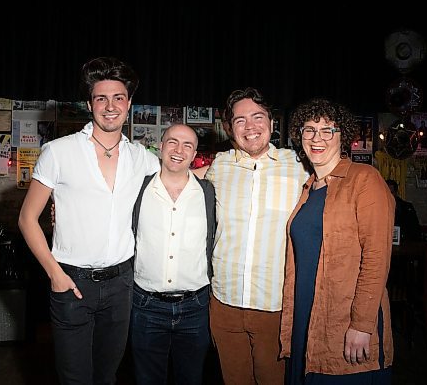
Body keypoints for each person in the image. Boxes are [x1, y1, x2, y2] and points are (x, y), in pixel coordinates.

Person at [18, 56, 160, 385]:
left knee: (107, 376)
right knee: (75, 379)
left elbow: (182, 179)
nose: (110, 106)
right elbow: (27, 218)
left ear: (129, 104)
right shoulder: (58, 152)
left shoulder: (143, 158)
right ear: (89, 104)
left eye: (118, 98)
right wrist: (55, 274)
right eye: (101, 98)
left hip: (122, 285)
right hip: (71, 283)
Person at [194, 87, 310, 384]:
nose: (250, 127)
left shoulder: (299, 167)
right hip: (224, 303)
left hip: (274, 304)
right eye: (240, 120)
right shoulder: (219, 166)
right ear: (229, 128)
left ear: (272, 123)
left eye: (258, 117)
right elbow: (176, 179)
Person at [280, 98, 395, 385]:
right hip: (307, 315)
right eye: (309, 129)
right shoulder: (309, 188)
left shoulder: (364, 179)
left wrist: (362, 325)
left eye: (327, 130)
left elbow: (376, 258)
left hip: (345, 320)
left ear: (343, 136)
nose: (317, 138)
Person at [130, 124, 216, 384]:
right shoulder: (137, 188)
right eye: (172, 142)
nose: (179, 150)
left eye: (187, 145)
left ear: (194, 154)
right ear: (160, 146)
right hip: (145, 306)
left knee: (191, 379)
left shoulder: (209, 192)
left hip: (196, 307)